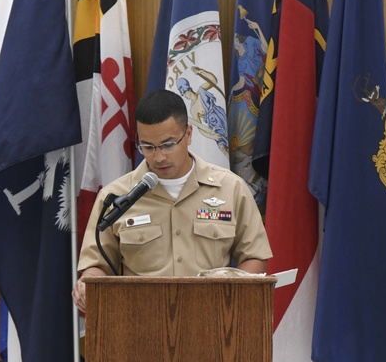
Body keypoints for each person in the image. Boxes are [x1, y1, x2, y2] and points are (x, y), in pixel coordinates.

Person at [73, 90, 271, 311]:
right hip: (140, 325)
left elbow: (254, 256)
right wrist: (86, 286)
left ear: (188, 134)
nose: (159, 157)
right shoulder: (116, 197)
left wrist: (228, 299)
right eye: (148, 146)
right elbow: (95, 267)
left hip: (215, 322)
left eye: (168, 145)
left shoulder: (230, 189)